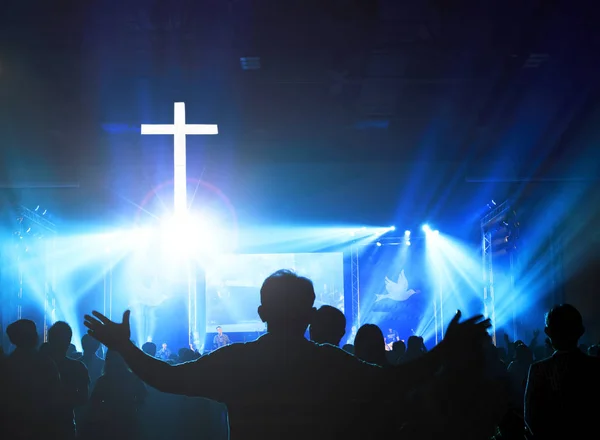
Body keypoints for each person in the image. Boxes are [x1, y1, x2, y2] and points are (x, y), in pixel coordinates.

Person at [84, 269, 493, 440]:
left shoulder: (238, 361)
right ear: (311, 314)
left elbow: (165, 379)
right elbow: (396, 381)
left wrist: (124, 347)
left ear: (261, 313)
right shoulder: (330, 362)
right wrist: (444, 349)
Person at [524, 304, 600, 439]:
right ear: (581, 331)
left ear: (547, 332)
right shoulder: (595, 366)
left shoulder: (538, 370)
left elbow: (531, 417)